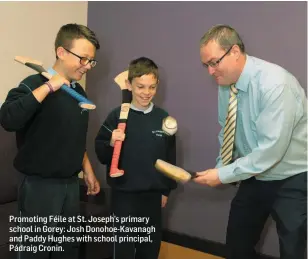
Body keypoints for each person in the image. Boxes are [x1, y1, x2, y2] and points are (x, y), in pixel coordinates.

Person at [194, 24, 307, 259]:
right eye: (206, 65)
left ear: (235, 51)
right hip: (253, 176)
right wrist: (221, 166)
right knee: (236, 246)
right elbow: (228, 130)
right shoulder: (225, 84)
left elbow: (270, 152)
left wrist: (223, 175)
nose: (210, 72)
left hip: (291, 179)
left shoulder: (275, 84)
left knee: (292, 250)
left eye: (214, 62)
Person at [0, 23, 101, 259]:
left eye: (91, 61)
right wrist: (48, 87)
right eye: (83, 59)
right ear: (61, 52)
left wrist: (87, 170)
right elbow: (7, 119)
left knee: (67, 252)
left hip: (70, 186)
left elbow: (74, 137)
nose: (87, 66)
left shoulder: (79, 94)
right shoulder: (33, 84)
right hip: (38, 187)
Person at [95, 57, 177, 259]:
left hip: (152, 196)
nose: (146, 93)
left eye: (152, 87)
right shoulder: (116, 116)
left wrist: (165, 190)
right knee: (122, 249)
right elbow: (101, 153)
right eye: (140, 86)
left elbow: (170, 158)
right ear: (129, 85)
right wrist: (111, 143)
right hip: (124, 195)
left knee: (149, 249)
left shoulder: (163, 118)